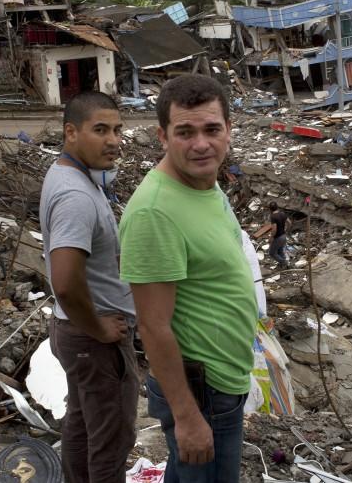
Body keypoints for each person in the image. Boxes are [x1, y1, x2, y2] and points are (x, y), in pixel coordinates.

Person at [119, 74, 258, 483]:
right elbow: (153, 325)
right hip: (201, 395)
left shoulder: (204, 185)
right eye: (185, 132)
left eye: (212, 129)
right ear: (162, 137)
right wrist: (188, 418)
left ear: (229, 131)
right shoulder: (154, 212)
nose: (201, 144)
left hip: (222, 385)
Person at [39, 91, 138, 483]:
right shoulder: (76, 195)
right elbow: (64, 281)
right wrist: (98, 327)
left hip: (75, 333)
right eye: (100, 130)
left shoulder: (70, 173)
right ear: (71, 132)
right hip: (93, 341)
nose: (113, 140)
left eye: (117, 129)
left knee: (81, 428)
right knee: (111, 442)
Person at [267, 201, 289, 268]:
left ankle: (284, 262)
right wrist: (286, 229)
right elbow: (289, 222)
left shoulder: (273, 217)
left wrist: (271, 237)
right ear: (277, 207)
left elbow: (274, 229)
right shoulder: (282, 214)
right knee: (280, 250)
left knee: (272, 253)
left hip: (278, 237)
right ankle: (284, 265)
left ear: (270, 209)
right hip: (284, 236)